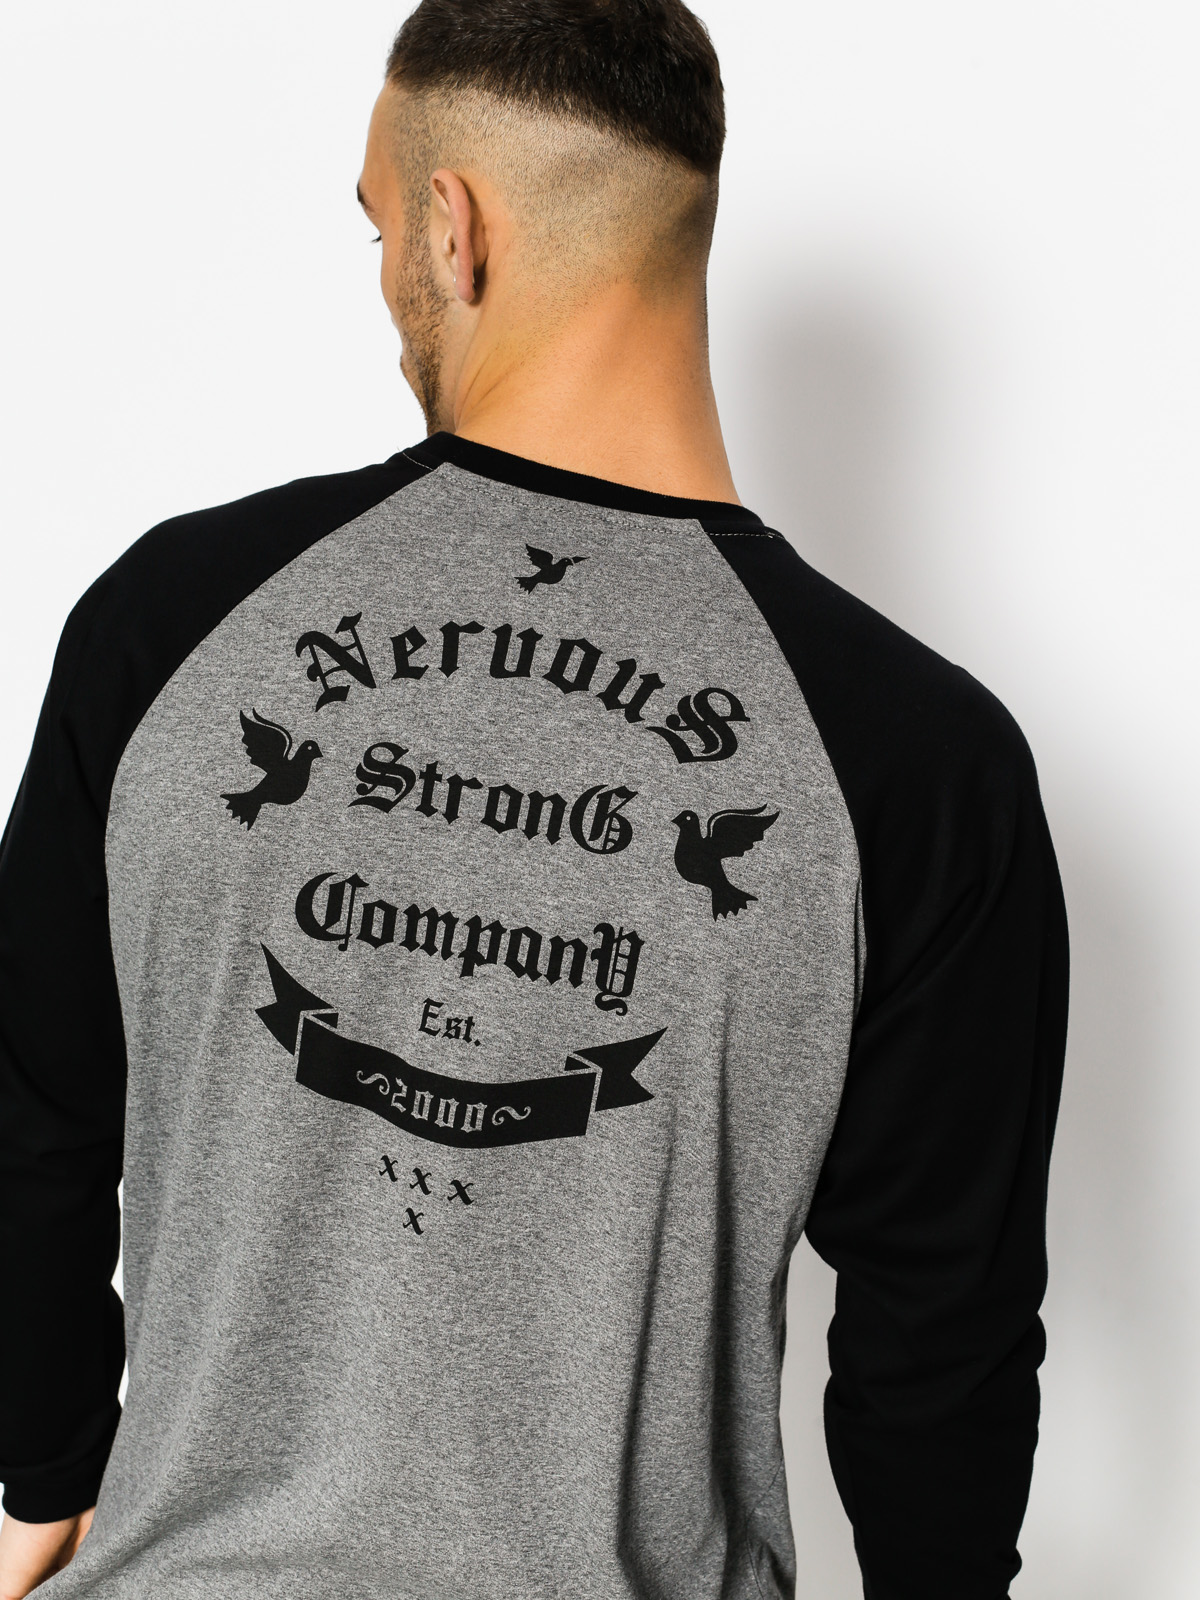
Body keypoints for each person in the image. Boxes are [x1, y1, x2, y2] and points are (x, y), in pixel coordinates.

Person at [0, 1, 1068, 1596]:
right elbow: (943, 1346)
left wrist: (41, 1468)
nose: (386, 274)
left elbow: (33, 1118)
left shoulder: (172, 622)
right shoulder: (922, 758)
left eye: (377, 223)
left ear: (455, 228)